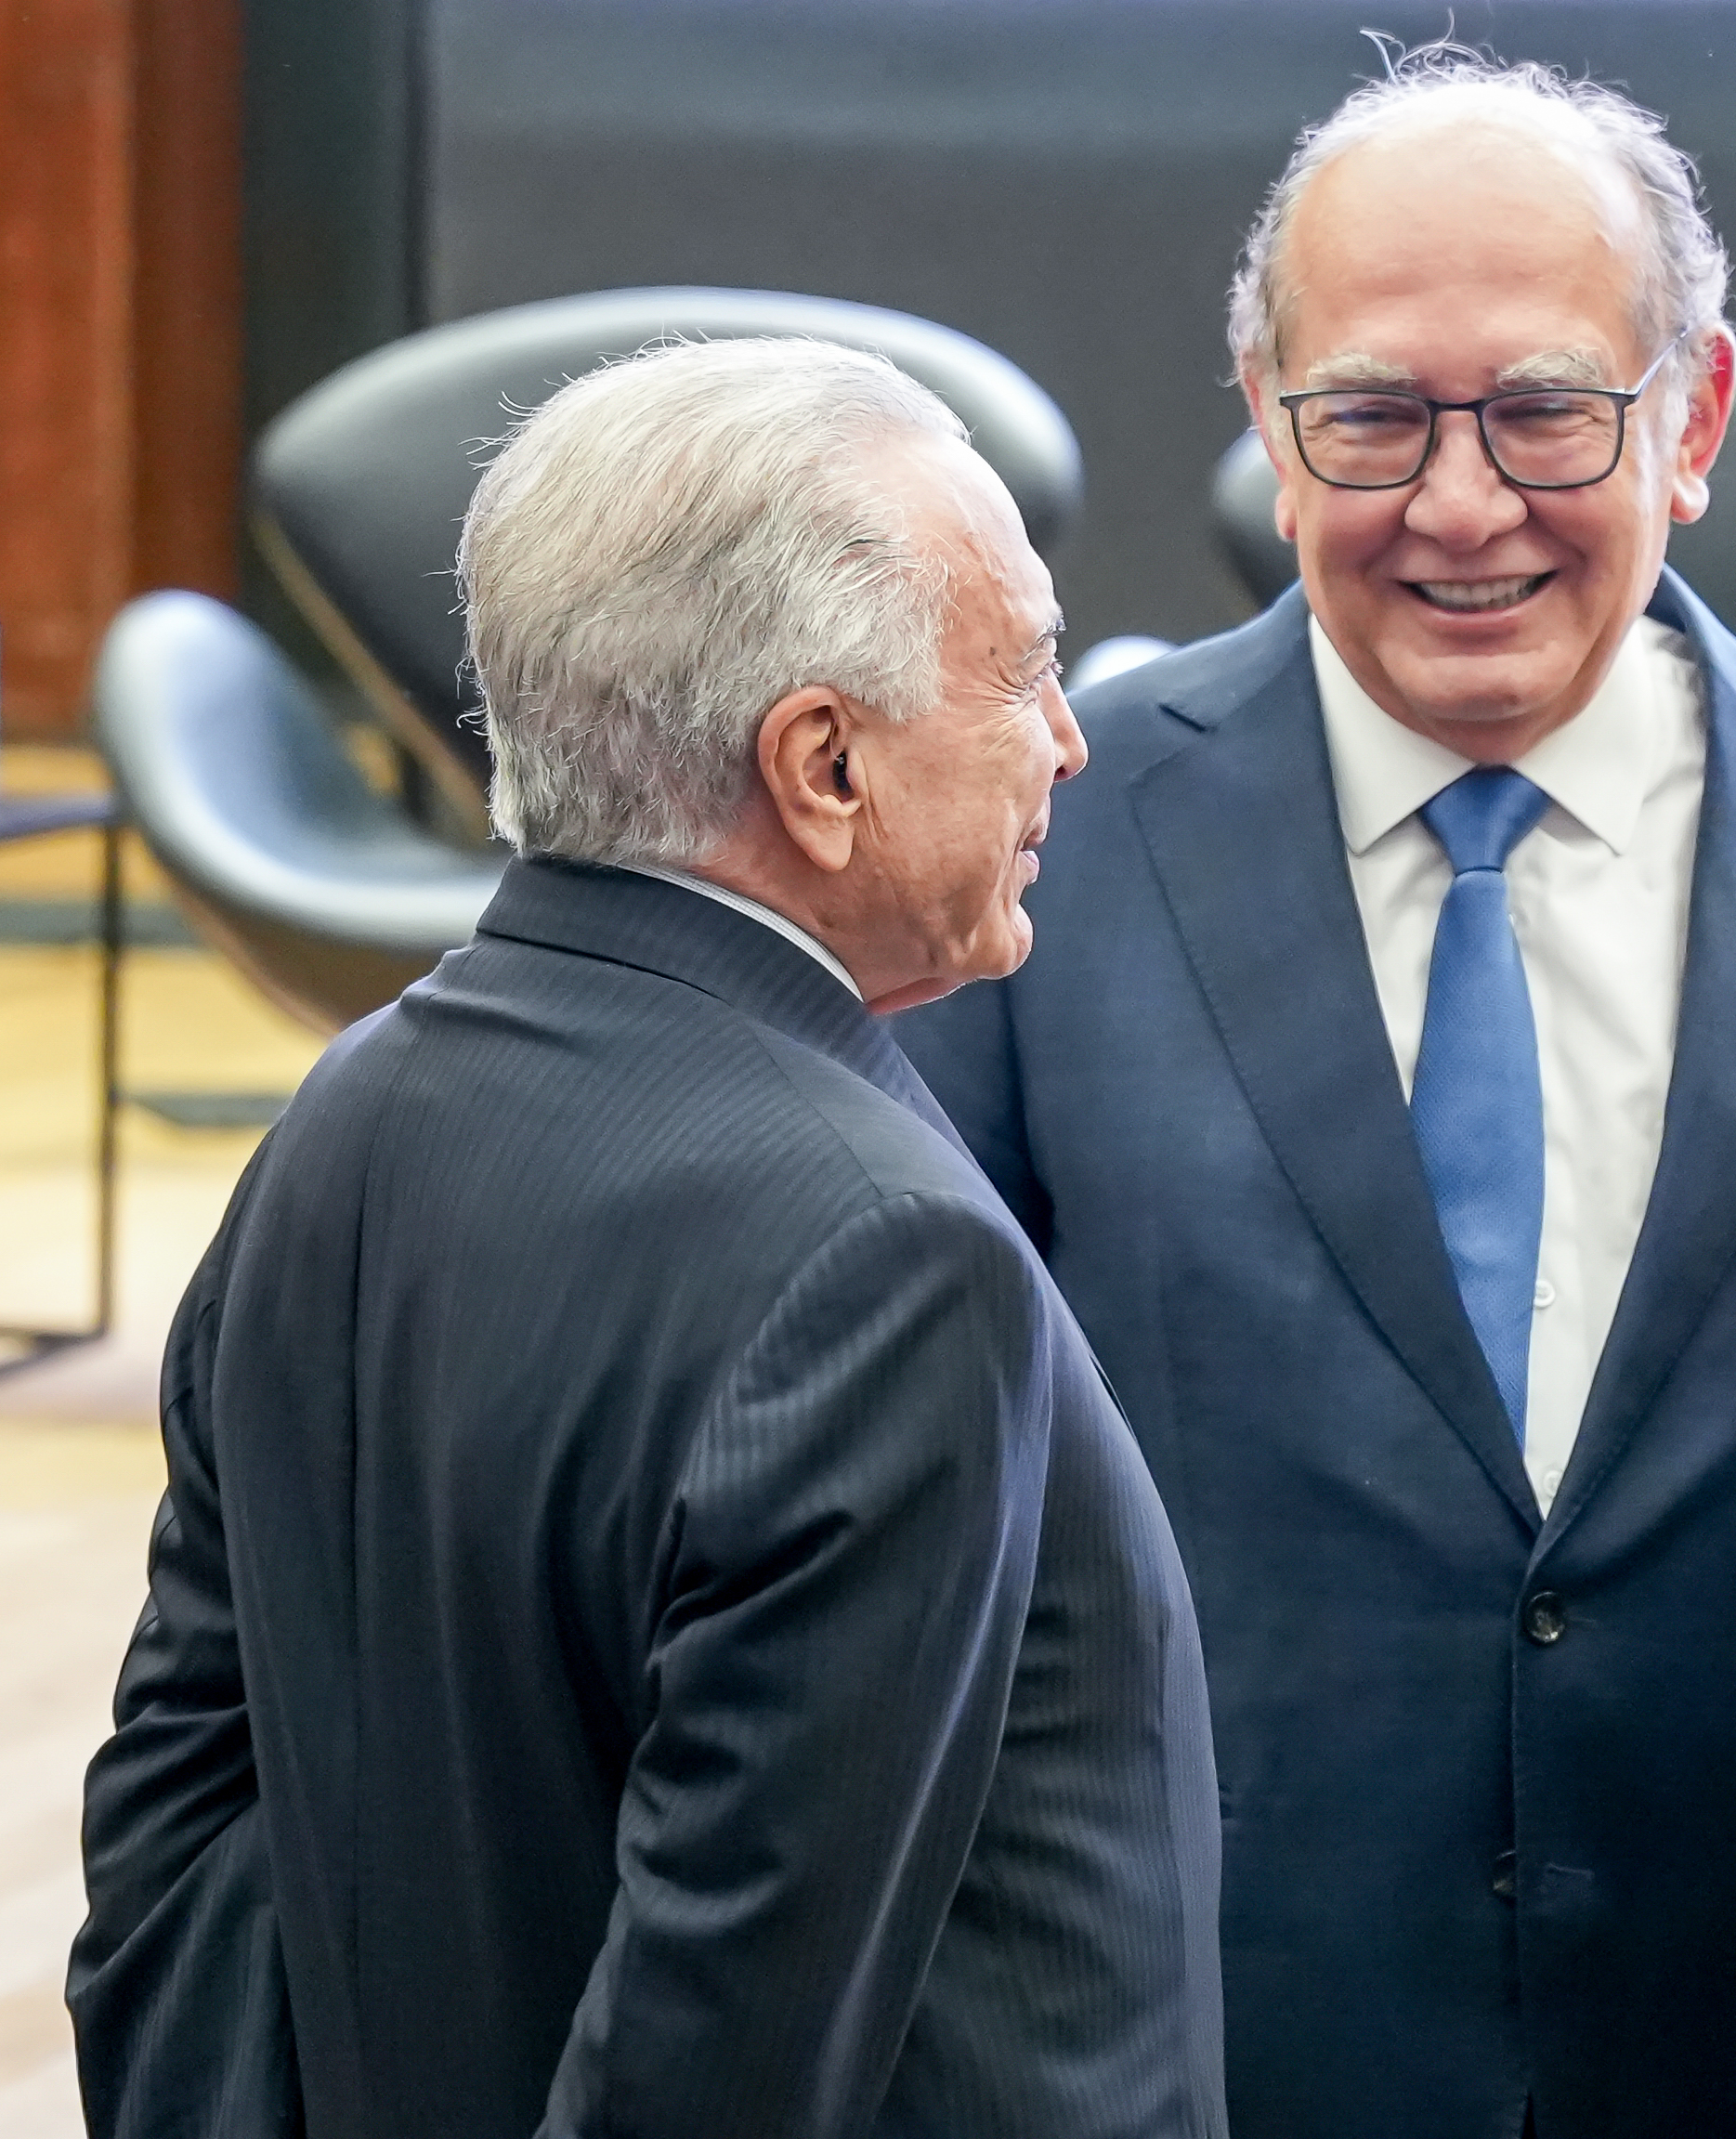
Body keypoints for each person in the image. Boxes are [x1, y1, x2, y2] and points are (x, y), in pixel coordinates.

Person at [896, 48, 1736, 2139]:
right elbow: (919, 1559)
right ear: (1268, 425)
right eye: (1368, 417)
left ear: (1689, 419)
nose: (1459, 504)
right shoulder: (1052, 841)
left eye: (1543, 410)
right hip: (1205, 2040)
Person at [70, 338, 1226, 2139]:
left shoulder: (351, 1114)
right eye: (1024, 671)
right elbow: (727, 2046)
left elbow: (174, 1824)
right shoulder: (888, 1263)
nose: (1069, 742)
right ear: (822, 763)